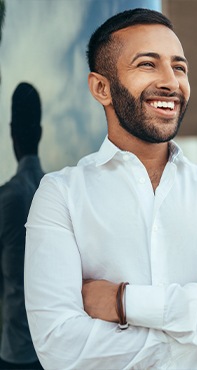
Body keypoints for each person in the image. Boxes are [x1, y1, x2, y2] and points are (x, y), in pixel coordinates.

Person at [24, 8, 197, 370]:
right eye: (148, 64)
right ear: (102, 88)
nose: (170, 81)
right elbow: (60, 347)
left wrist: (123, 303)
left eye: (179, 67)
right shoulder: (60, 195)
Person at [0, 82, 44, 369]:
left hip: (16, 353)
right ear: (40, 134)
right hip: (51, 350)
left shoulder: (7, 198)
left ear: (11, 133)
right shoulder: (56, 192)